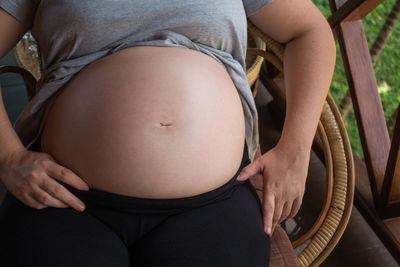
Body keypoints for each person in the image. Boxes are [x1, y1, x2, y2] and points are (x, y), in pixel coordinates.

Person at [0, 0, 336, 266]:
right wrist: (9, 157)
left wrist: (296, 149)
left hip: (215, 206)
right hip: (63, 199)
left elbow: (308, 31)